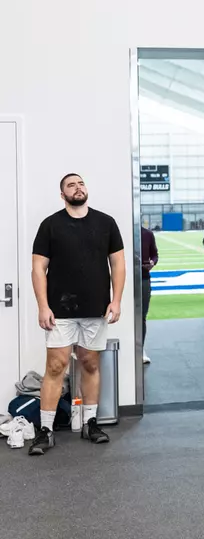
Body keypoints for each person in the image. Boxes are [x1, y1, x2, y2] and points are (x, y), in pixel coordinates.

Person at [29, 173, 126, 455]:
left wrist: (116, 300)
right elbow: (38, 269)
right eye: (71, 185)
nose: (77, 187)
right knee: (56, 366)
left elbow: (117, 264)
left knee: (91, 364)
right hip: (59, 310)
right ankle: (45, 430)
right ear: (63, 195)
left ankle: (90, 423)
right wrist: (43, 306)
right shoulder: (50, 225)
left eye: (81, 183)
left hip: (95, 308)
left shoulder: (106, 223)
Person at [141, 225, 158, 364]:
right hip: (126, 278)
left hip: (144, 277)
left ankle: (140, 349)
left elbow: (155, 254)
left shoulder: (147, 234)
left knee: (142, 316)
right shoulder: (122, 232)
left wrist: (152, 262)